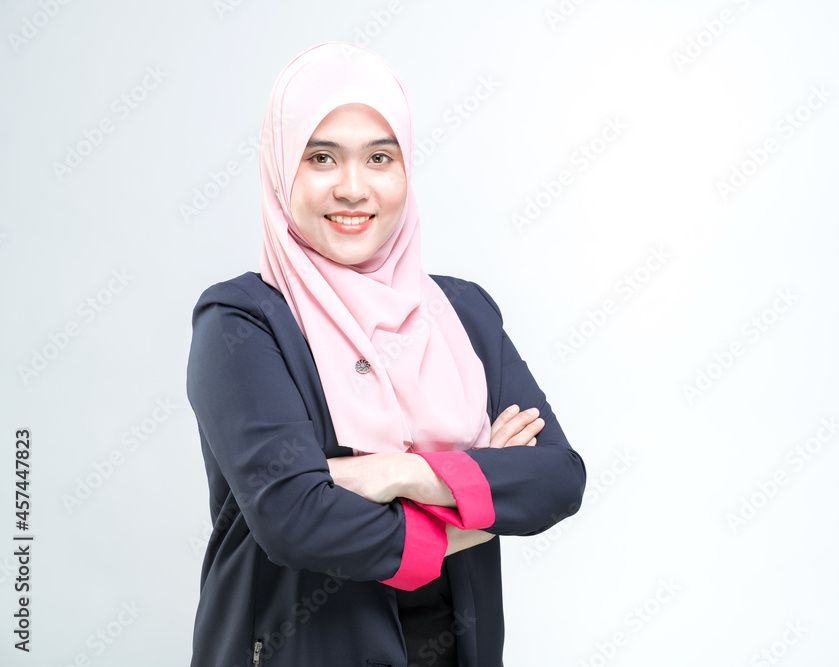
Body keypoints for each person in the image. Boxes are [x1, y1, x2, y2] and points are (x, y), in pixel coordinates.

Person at [186, 42, 586, 666]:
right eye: (321, 157)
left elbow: (557, 478)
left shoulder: (464, 312)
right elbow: (297, 521)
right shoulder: (242, 322)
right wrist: (476, 485)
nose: (353, 189)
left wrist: (398, 472)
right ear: (281, 169)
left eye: (379, 157)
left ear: (406, 169)